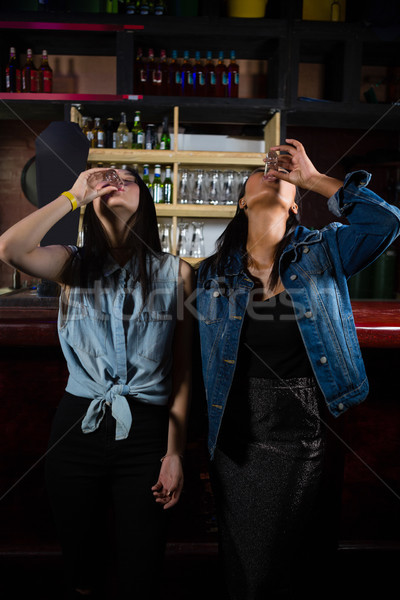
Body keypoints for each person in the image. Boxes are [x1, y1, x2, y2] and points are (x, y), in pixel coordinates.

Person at [196, 139, 400, 599]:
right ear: (242, 201)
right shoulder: (211, 275)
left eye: (288, 181)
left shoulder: (324, 252)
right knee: (243, 561)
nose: (271, 174)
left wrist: (313, 179)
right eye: (259, 173)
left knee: (278, 566)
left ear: (294, 207)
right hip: (234, 435)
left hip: (298, 429)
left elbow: (386, 222)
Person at [0, 166, 193, 600]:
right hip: (76, 429)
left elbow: (182, 371)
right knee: (82, 569)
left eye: (128, 177)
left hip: (147, 432)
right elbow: (10, 248)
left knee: (141, 568)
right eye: (108, 176)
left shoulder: (176, 273)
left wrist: (174, 452)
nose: (116, 180)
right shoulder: (72, 264)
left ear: (145, 199)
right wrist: (73, 195)